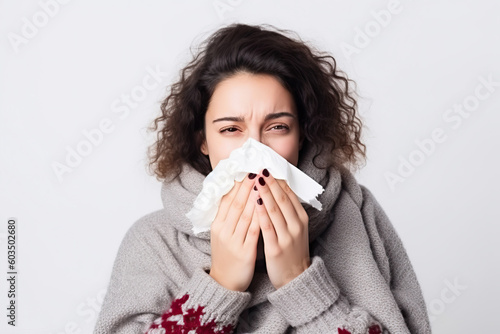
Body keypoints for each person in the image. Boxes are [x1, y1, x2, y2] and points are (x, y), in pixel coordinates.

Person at [94, 23, 431, 334]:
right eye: (230, 129)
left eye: (277, 127)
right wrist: (220, 285)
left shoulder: (357, 215)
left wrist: (302, 284)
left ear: (301, 136)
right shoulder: (155, 242)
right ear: (203, 140)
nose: (254, 150)